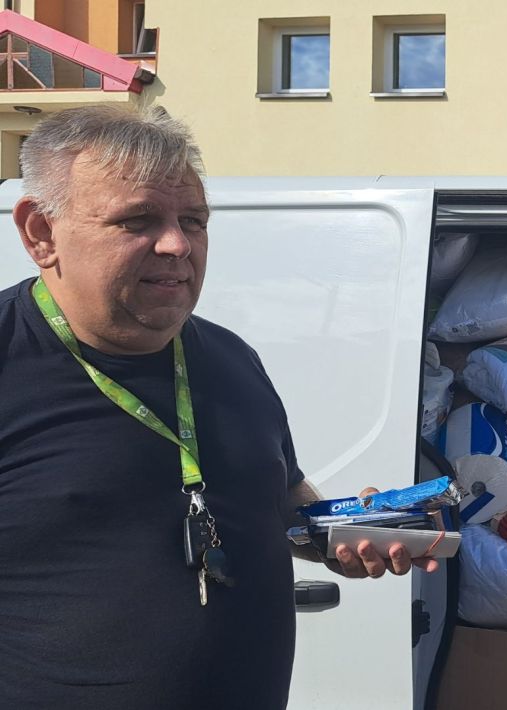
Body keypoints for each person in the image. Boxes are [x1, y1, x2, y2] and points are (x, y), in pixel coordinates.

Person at [0, 106, 433, 709]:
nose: (177, 244)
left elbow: (279, 499)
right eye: (138, 220)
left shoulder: (231, 358)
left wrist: (339, 534)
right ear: (40, 233)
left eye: (194, 221)